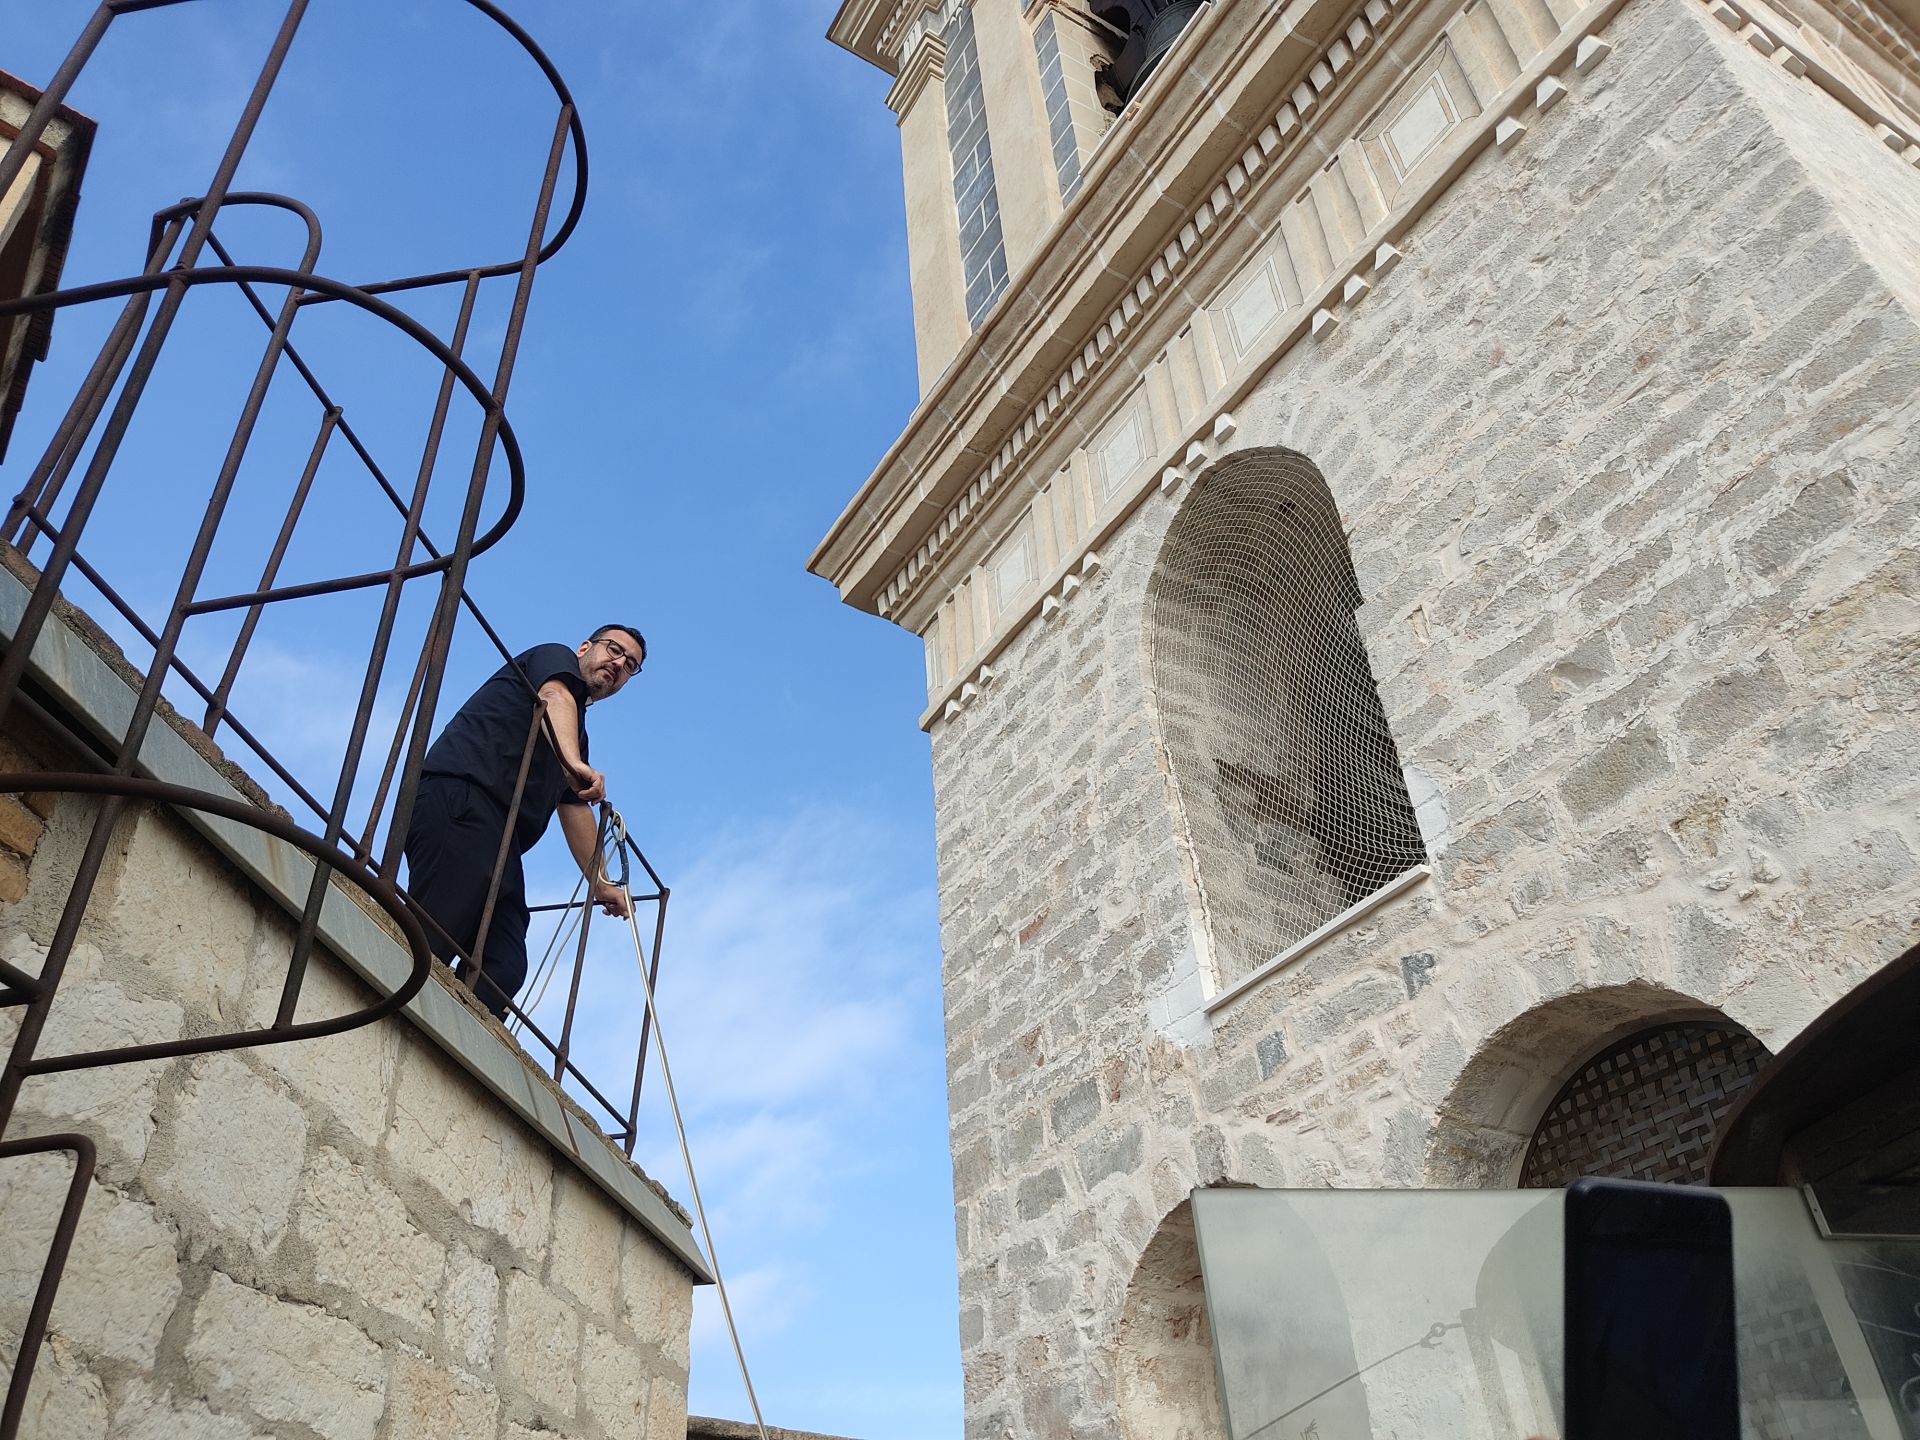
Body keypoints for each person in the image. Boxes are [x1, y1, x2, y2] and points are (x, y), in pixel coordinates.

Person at [403, 624, 645, 1018]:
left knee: (504, 963)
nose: (618, 664)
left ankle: (448, 1037)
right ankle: (384, 995)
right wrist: (572, 762)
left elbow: (574, 809)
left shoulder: (575, 735)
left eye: (630, 665)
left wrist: (601, 884)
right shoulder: (554, 659)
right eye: (614, 650)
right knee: (438, 926)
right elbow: (553, 696)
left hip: (501, 841)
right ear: (585, 647)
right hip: (462, 797)